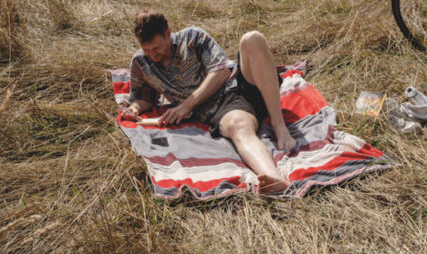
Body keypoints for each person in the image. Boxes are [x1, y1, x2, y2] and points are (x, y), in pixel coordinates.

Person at [119, 11, 296, 194]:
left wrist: (186, 105)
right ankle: (274, 178)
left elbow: (222, 72)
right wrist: (134, 108)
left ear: (167, 34)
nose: (151, 54)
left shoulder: (193, 37)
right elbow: (144, 98)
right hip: (225, 108)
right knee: (237, 126)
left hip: (241, 84)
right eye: (146, 50)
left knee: (252, 39)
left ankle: (279, 125)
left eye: (155, 48)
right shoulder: (141, 62)